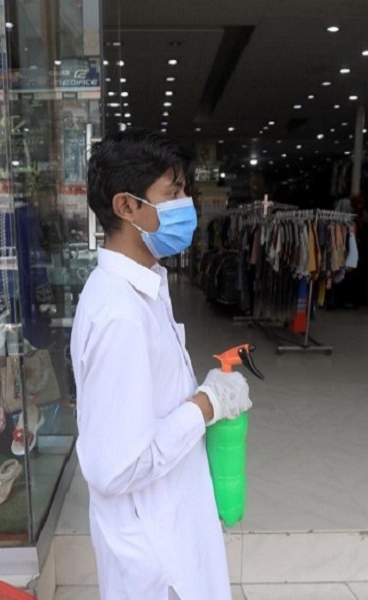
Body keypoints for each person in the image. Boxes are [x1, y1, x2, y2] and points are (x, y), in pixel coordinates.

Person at [70, 128, 252, 599]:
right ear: (126, 206)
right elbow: (117, 468)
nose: (185, 205)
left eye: (184, 192)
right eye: (171, 195)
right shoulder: (120, 316)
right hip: (155, 556)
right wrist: (206, 405)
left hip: (170, 525)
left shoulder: (144, 286)